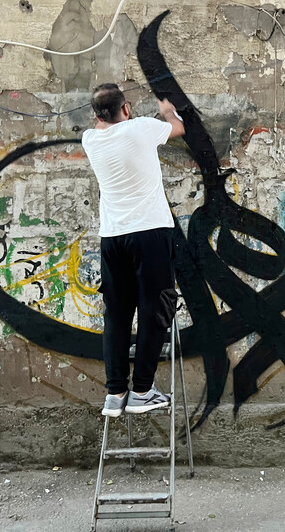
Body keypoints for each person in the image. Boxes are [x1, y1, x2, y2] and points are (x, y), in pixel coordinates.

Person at [81, 83, 185, 417]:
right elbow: (179, 128)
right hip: (150, 233)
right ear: (125, 109)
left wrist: (110, 112)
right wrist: (166, 109)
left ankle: (115, 393)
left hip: (112, 237)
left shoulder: (90, 139)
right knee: (156, 311)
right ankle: (141, 390)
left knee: (117, 313)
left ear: (96, 115)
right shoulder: (141, 128)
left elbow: (105, 122)